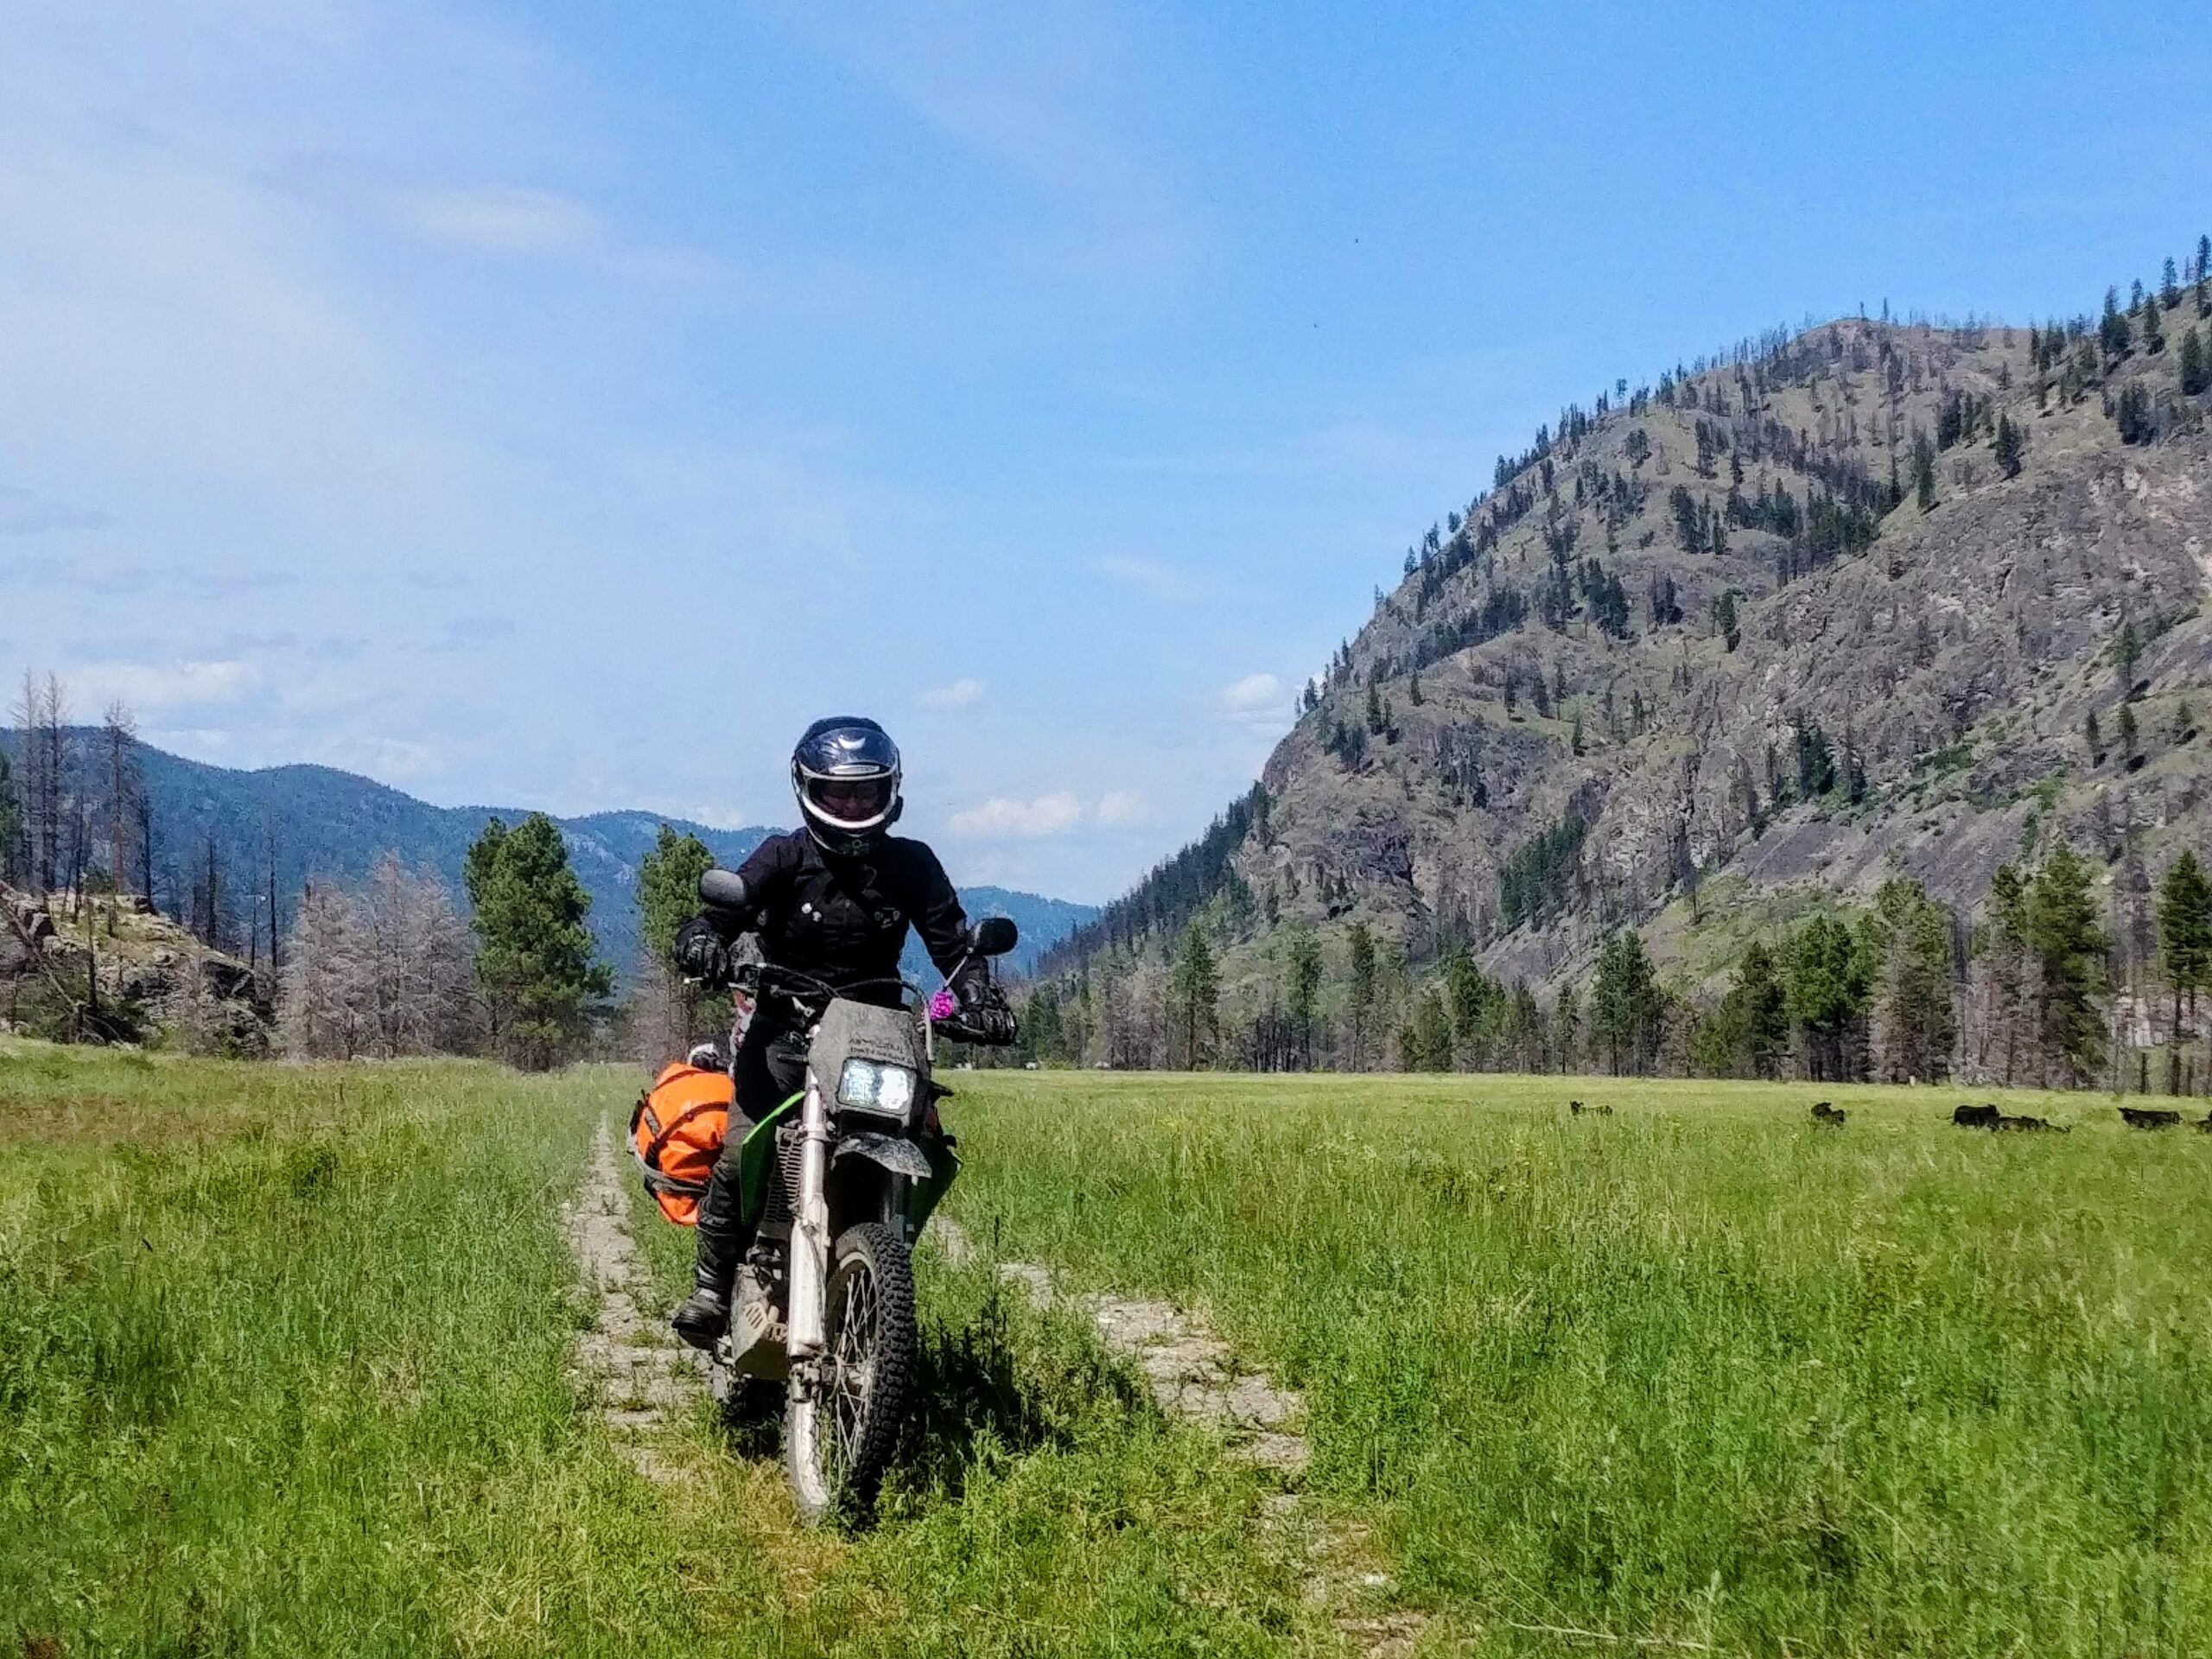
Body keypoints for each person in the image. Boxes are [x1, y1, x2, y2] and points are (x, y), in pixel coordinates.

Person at [666, 715, 1014, 1347]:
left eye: (865, 791)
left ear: (890, 791)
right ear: (808, 789)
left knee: (928, 1146)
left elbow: (954, 945)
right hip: (783, 1029)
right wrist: (702, 942)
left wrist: (979, 997)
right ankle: (712, 1290)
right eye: (837, 791)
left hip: (874, 1032)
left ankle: (876, 1264)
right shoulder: (783, 855)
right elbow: (721, 913)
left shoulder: (911, 863)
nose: (852, 803)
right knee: (740, 1150)